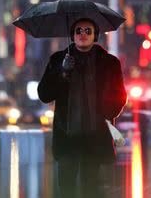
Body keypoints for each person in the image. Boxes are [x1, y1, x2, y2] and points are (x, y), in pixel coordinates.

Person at [38, 18, 127, 198]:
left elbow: (120, 96)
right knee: (66, 187)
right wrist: (62, 73)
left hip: (95, 136)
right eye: (78, 31)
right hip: (67, 136)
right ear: (72, 35)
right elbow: (44, 94)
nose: (83, 34)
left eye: (88, 31)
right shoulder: (58, 60)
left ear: (95, 35)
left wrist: (106, 115)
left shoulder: (109, 63)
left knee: (91, 188)